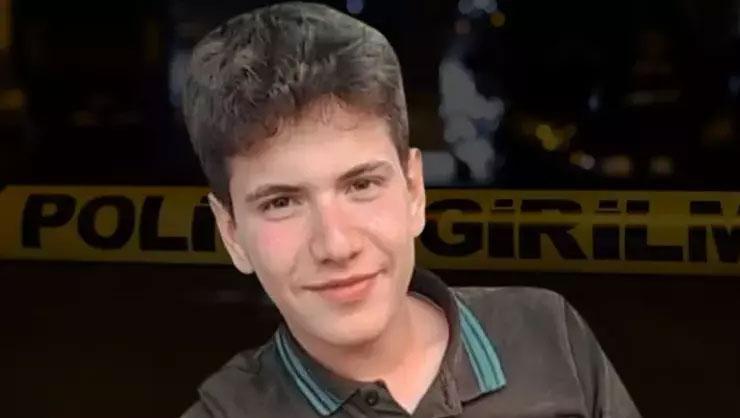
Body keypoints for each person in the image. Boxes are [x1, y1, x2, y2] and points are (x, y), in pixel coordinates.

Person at [180, 2, 641, 417]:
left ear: (414, 190)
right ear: (232, 233)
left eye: (362, 185)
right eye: (281, 203)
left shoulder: (547, 335)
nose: (336, 245)